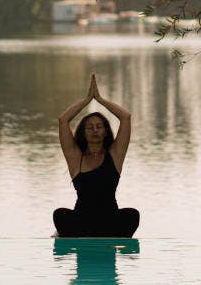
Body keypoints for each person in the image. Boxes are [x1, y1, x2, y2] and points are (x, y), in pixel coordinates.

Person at [53, 73, 139, 237]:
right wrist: (86, 101)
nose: (94, 130)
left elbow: (125, 117)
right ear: (83, 132)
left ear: (105, 131)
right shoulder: (75, 157)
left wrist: (99, 100)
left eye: (99, 126)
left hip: (110, 221)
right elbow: (63, 120)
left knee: (132, 215)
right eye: (90, 127)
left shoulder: (115, 154)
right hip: (81, 221)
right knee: (60, 214)